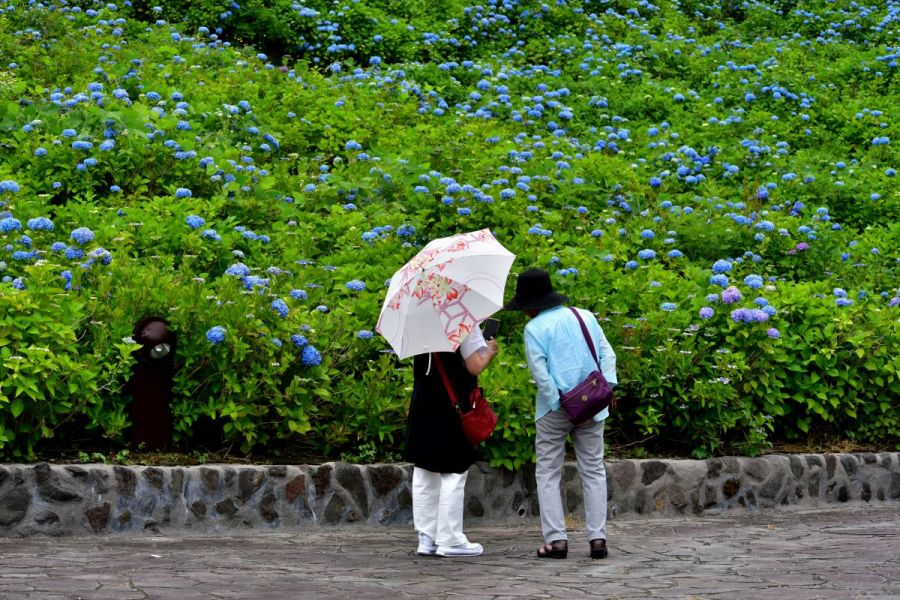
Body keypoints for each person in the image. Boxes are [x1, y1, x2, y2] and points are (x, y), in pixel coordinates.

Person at [503, 268, 617, 560]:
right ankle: (598, 540)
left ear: (530, 305)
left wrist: (559, 404)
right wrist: (605, 390)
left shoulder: (534, 329)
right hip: (593, 406)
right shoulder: (584, 316)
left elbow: (542, 377)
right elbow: (609, 355)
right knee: (593, 470)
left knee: (548, 472)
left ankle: (556, 541)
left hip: (556, 411)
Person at [405, 324, 499, 557]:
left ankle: (426, 538)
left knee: (425, 469)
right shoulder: (460, 318)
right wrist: (489, 350)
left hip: (423, 401)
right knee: (454, 471)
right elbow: (474, 365)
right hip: (452, 404)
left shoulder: (419, 321)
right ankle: (450, 539)